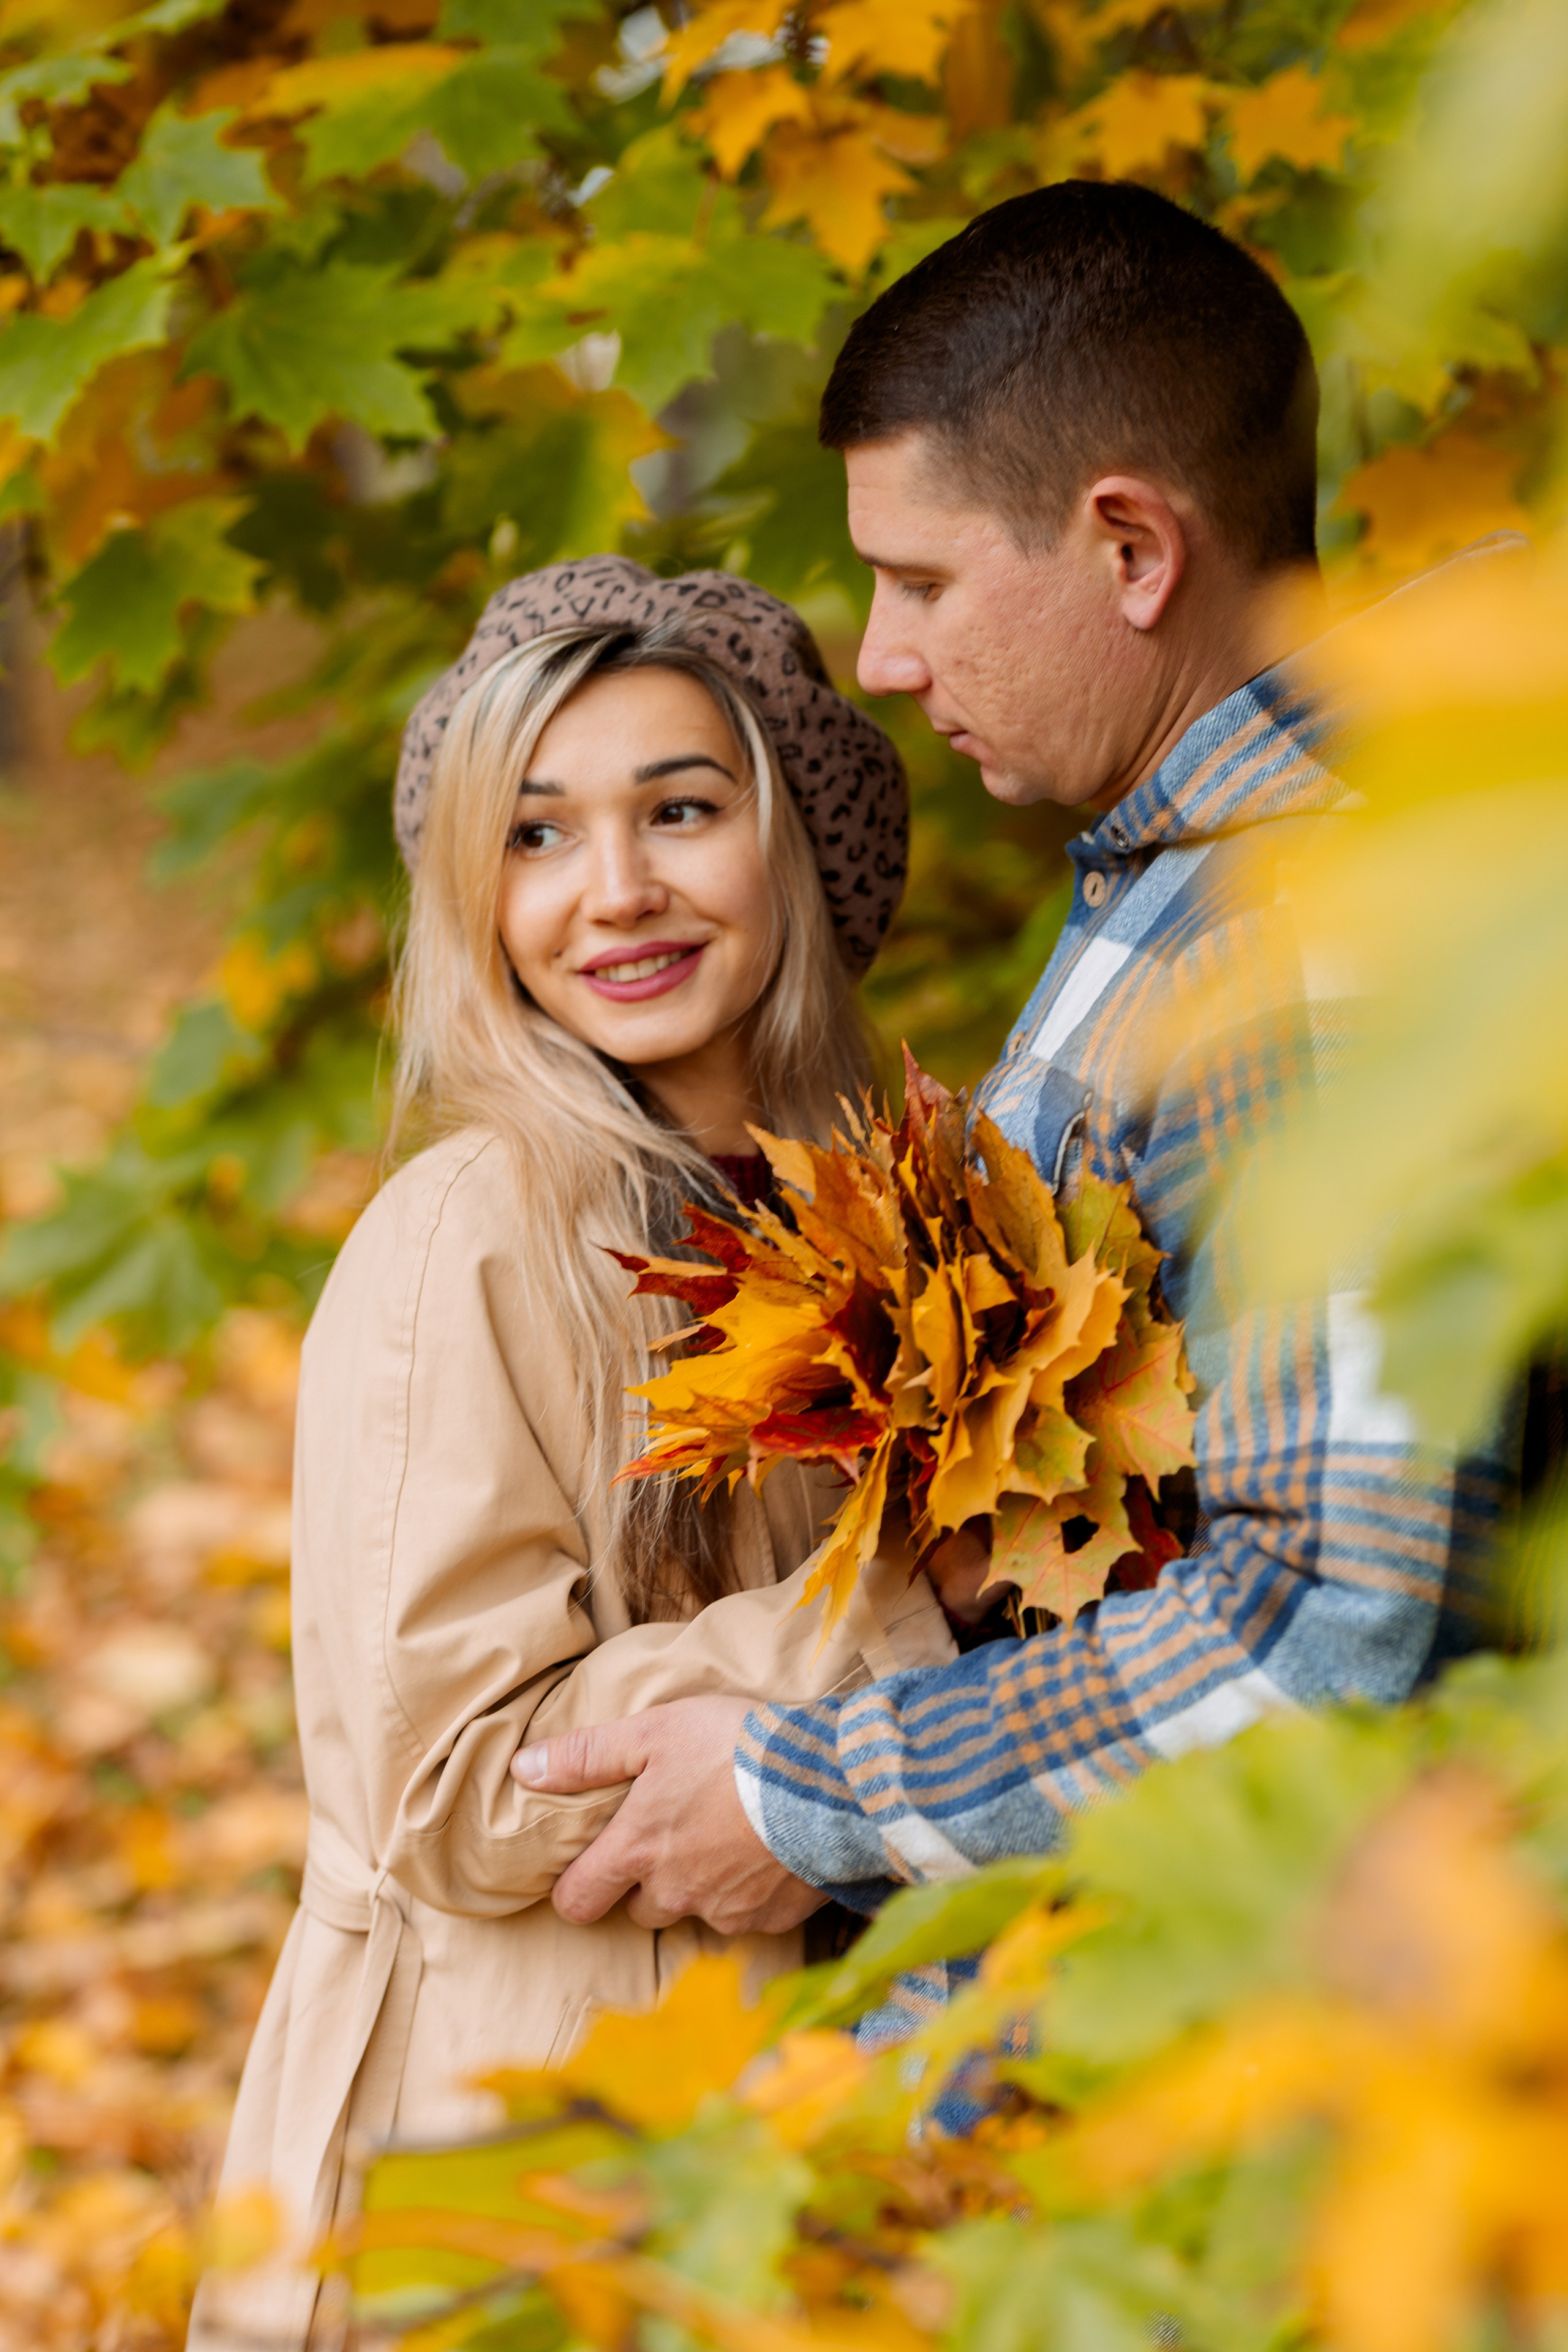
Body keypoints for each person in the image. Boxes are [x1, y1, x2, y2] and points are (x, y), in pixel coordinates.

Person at [507, 182, 1517, 1936]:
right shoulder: (1191, 881)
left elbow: (1334, 1630)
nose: (886, 658)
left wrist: (812, 1796)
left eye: (921, 578)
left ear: (1131, 548)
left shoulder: (1294, 944)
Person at [187, 561, 956, 2351]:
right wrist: (904, 1612)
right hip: (510, 2166)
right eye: (536, 837)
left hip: (778, 2132)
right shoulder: (470, 1234)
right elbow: (451, 1783)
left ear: (790, 848)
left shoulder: (873, 1212)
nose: (615, 893)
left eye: (679, 812)